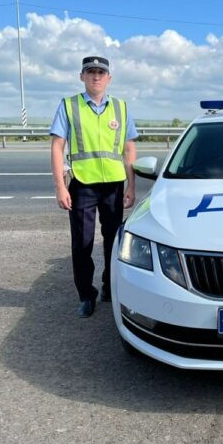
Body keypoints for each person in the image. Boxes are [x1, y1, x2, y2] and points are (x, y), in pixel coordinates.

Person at [50, 56, 138, 318]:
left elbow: (129, 148)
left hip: (113, 185)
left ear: (109, 78)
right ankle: (86, 295)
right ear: (82, 77)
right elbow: (57, 146)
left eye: (101, 72)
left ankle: (111, 288)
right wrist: (60, 186)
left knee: (114, 242)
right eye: (90, 72)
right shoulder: (69, 105)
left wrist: (131, 185)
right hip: (82, 185)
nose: (96, 76)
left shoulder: (121, 108)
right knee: (82, 244)